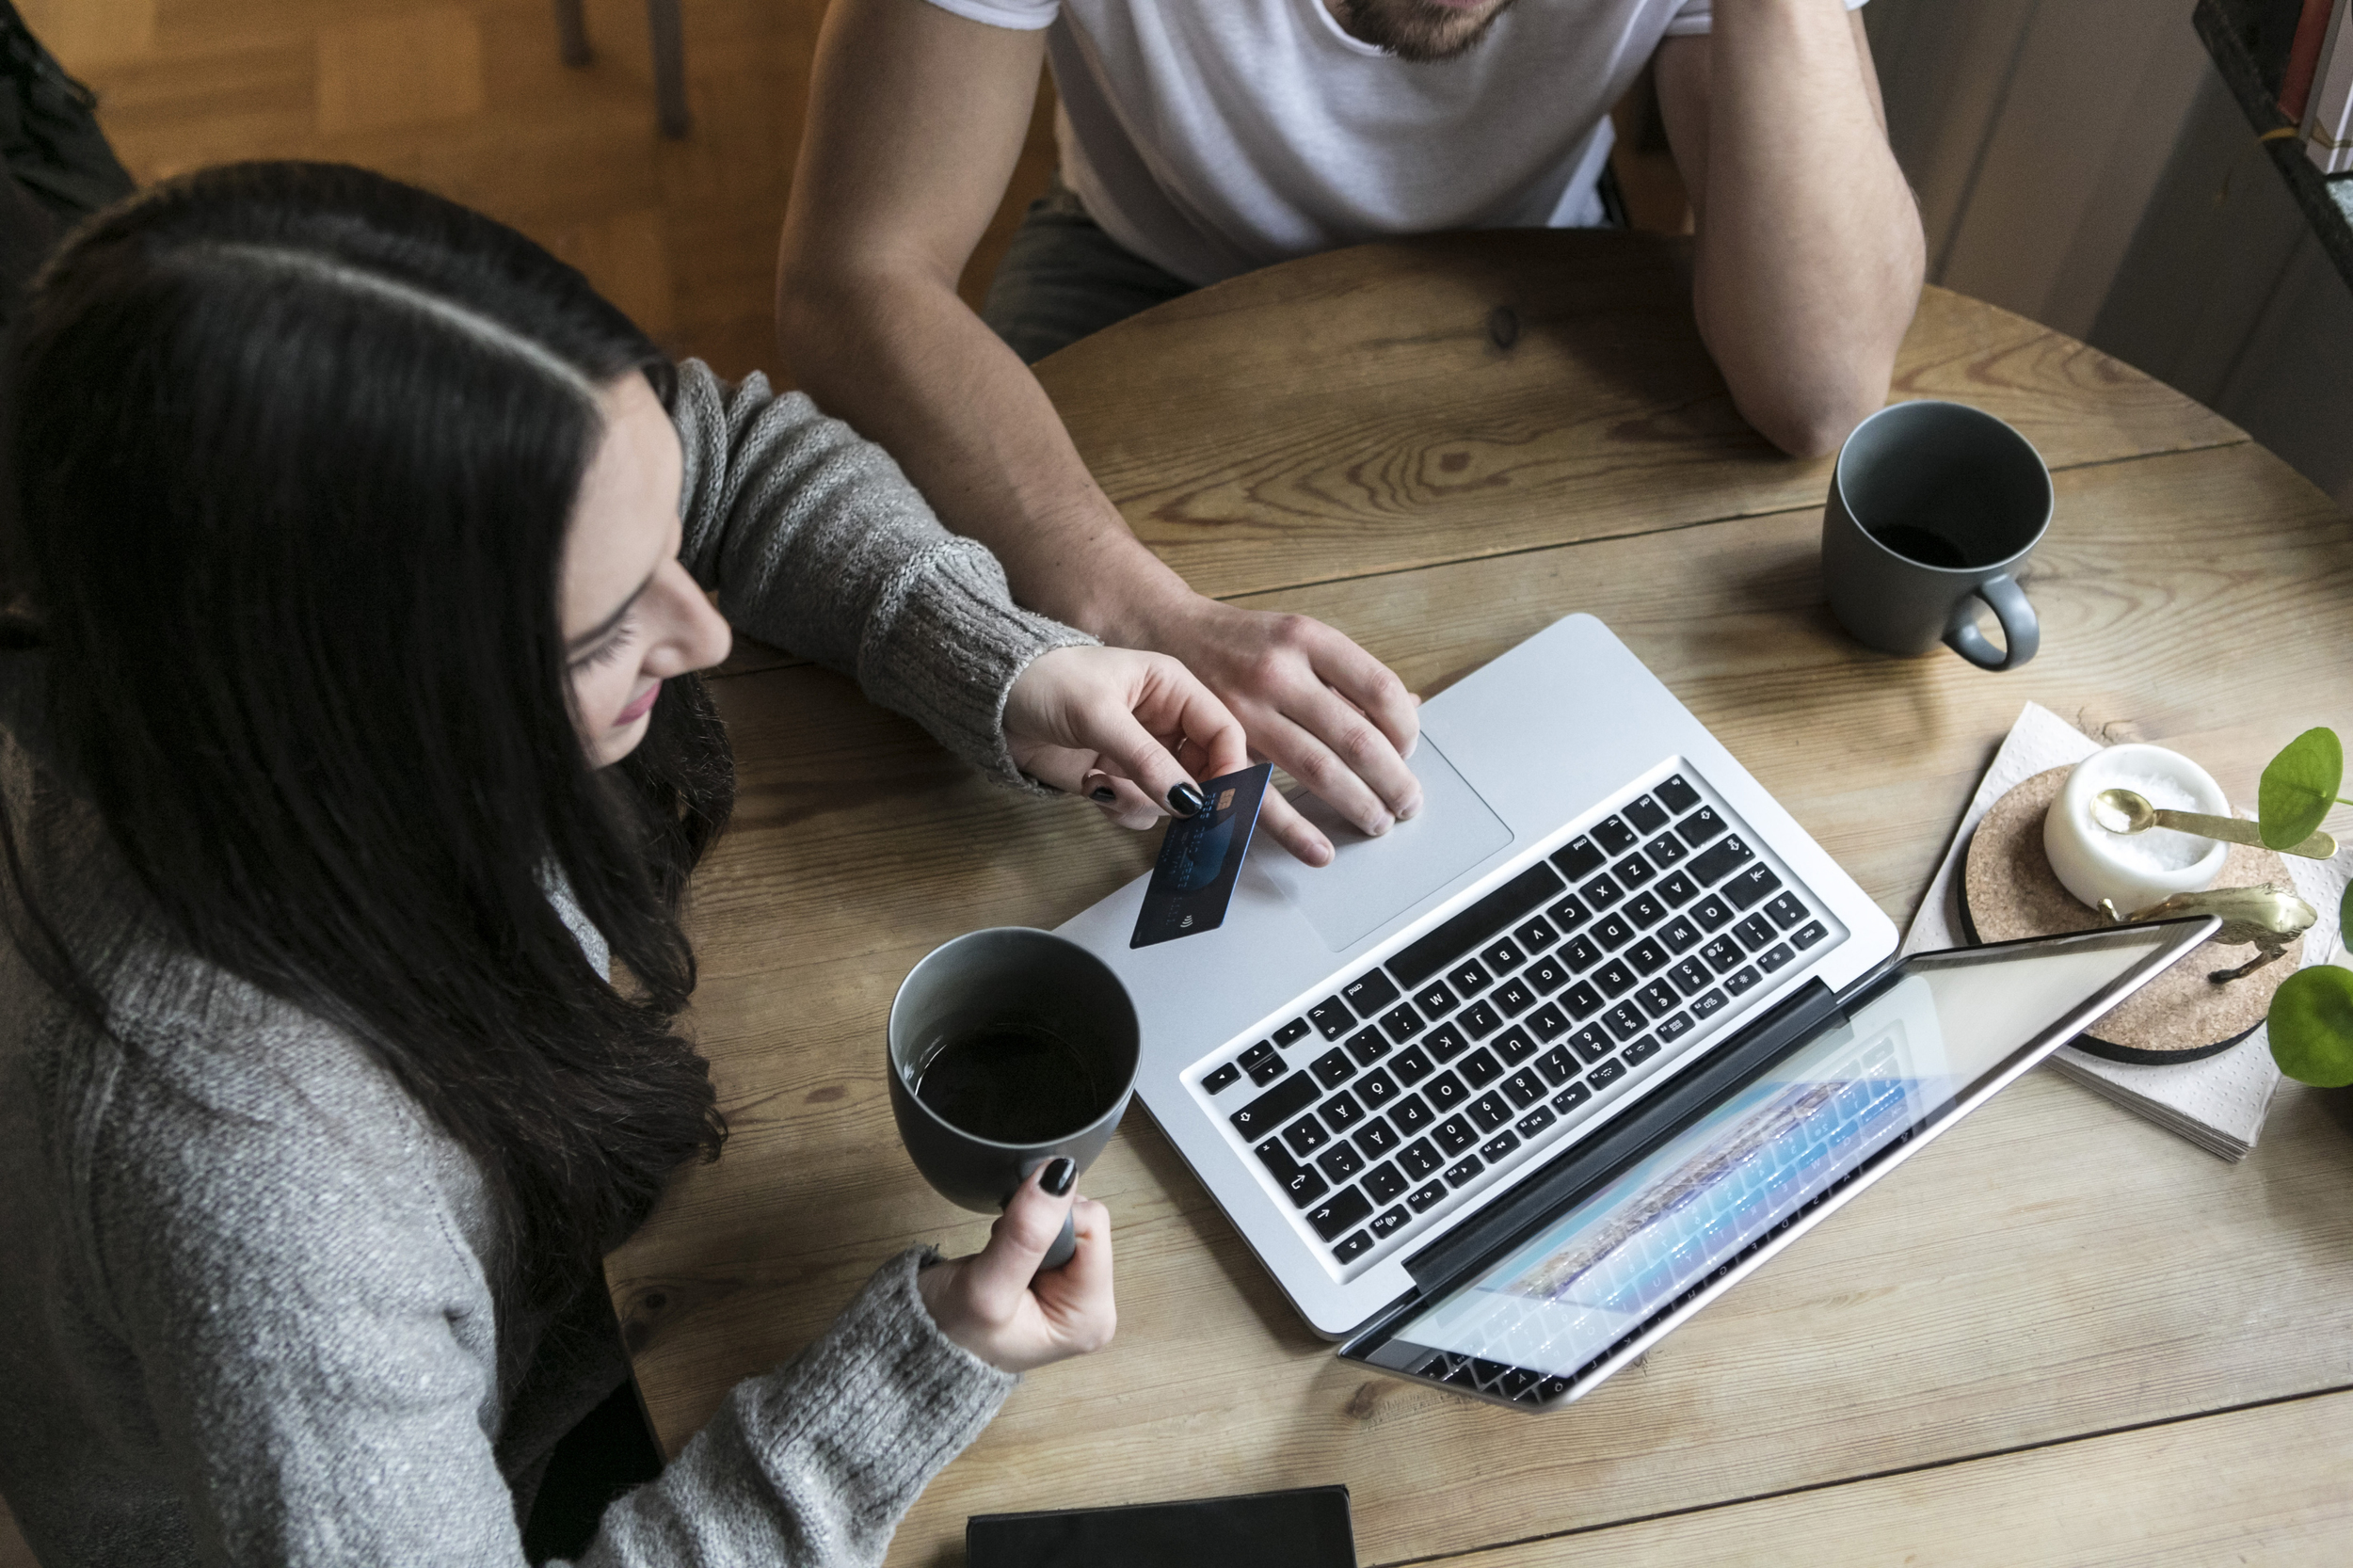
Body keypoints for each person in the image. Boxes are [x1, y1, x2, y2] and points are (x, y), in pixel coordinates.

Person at [0, 160, 1261, 1566]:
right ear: (368, 712)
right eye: (605, 630)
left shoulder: (250, 630)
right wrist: (925, 1364)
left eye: (666, 548)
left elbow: (723, 455)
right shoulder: (262, 1189)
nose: (702, 631)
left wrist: (1006, 663)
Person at [776, 0, 1925, 863]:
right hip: (1143, 260)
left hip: (1531, 255)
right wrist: (1134, 604)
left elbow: (1816, 387)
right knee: (998, 832)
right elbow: (853, 276)